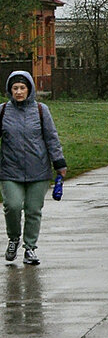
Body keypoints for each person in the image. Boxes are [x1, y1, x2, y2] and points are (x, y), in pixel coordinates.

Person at [1, 71, 67, 266]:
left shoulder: (40, 110)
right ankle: (14, 238)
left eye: (22, 88)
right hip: (10, 170)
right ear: (10, 90)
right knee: (12, 206)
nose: (19, 92)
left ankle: (30, 248)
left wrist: (59, 163)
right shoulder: (3, 111)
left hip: (38, 170)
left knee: (33, 210)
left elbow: (51, 138)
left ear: (29, 89)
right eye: (15, 88)